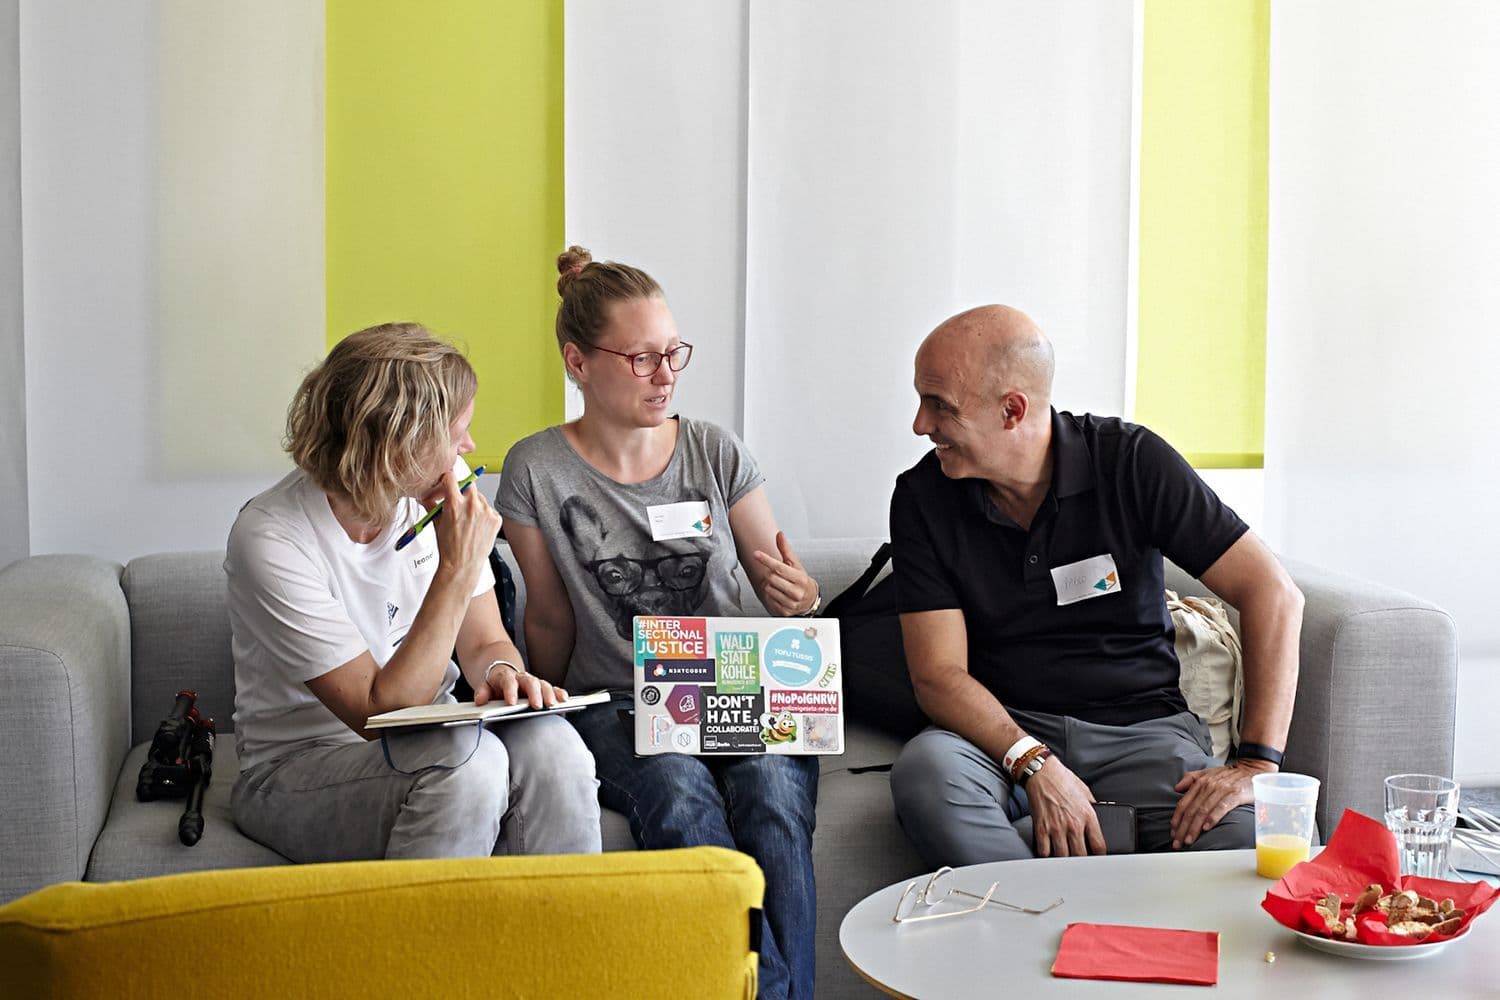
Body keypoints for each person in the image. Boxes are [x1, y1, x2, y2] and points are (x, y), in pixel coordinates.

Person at [496, 248, 821, 1000]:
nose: (666, 373)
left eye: (672, 352)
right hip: (618, 696)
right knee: (678, 796)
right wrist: (534, 710)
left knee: (773, 797)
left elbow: (787, 591)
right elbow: (546, 616)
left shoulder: (713, 448)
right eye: (641, 358)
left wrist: (796, 599)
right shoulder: (536, 469)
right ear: (578, 363)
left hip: (734, 679)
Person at [888, 305, 1304, 866]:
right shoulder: (923, 496)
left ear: (1013, 409)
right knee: (926, 772)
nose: (920, 424)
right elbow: (938, 675)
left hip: (1145, 735)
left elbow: (1273, 592)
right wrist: (1035, 764)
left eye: (939, 404)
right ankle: (1045, 914)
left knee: (1261, 841)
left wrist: (1256, 765)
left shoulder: (1132, 462)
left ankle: (1031, 877)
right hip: (1001, 740)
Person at [227, 322, 600, 862]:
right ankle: (423, 946)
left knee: (556, 745)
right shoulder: (271, 536)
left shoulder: (435, 493)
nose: (468, 448)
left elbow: (485, 643)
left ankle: (559, 940)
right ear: (398, 441)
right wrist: (456, 565)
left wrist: (503, 675)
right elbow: (381, 713)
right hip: (299, 767)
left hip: (435, 736)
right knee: (466, 764)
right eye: (455, 433)